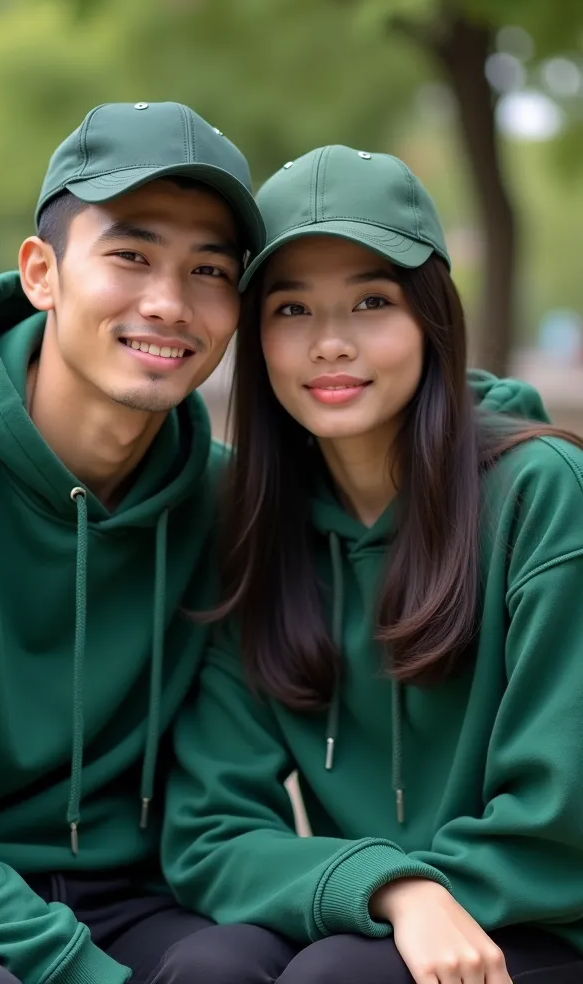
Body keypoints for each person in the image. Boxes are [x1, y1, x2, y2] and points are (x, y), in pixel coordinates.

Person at [160, 145, 583, 983]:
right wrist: (387, 887)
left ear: (433, 317)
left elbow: (560, 819)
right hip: (382, 914)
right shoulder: (256, 524)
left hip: (542, 921)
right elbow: (211, 832)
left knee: (337, 978)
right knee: (208, 964)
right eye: (290, 311)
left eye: (372, 301)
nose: (330, 344)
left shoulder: (543, 496)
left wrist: (415, 890)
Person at [0, 101, 265, 984]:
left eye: (208, 270)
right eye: (131, 256)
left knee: (237, 965)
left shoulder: (222, 501)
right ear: (42, 273)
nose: (168, 304)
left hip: (135, 895)